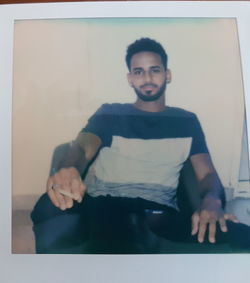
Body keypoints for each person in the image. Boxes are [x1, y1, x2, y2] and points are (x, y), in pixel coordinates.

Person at [31, 38, 250, 254]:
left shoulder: (186, 121)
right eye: (138, 72)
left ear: (168, 74)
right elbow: (81, 147)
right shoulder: (110, 113)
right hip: (104, 207)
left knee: (240, 239)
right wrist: (69, 167)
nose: (147, 78)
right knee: (50, 212)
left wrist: (212, 201)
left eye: (154, 70)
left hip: (157, 215)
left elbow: (206, 174)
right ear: (130, 79)